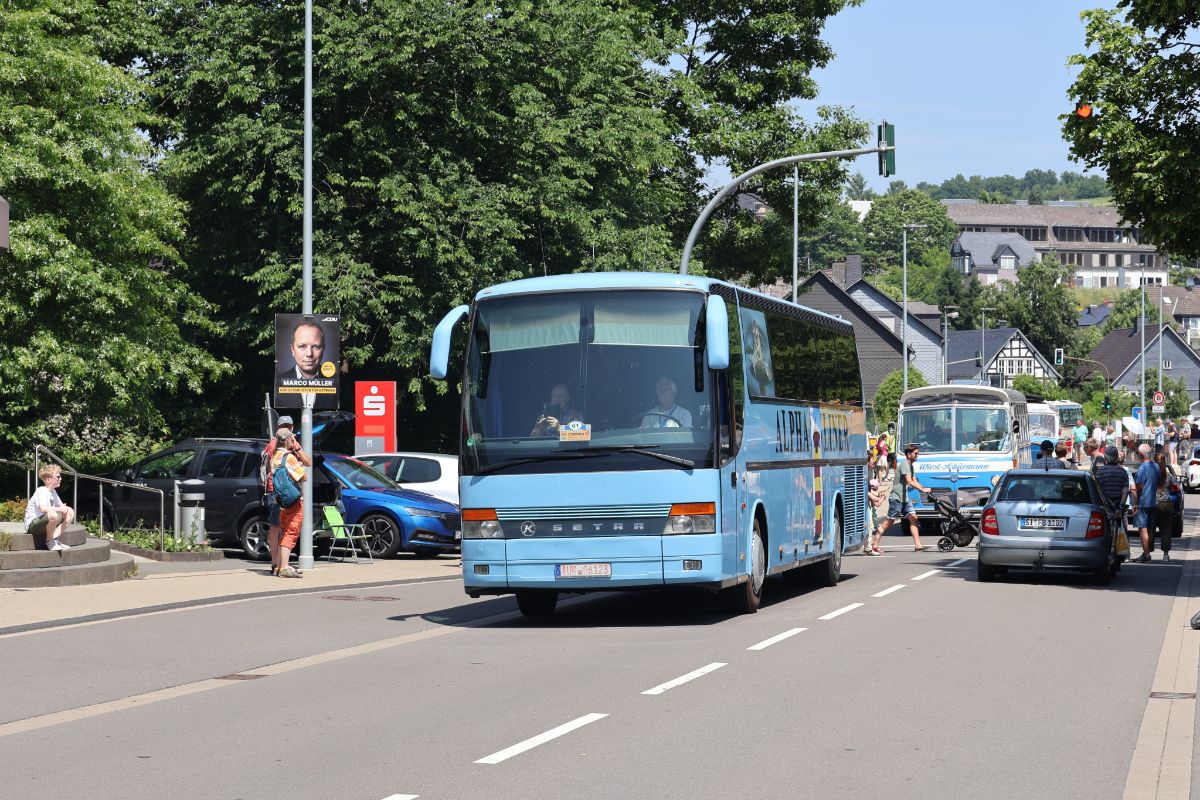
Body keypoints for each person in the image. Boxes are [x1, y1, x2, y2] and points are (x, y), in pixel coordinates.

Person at [260, 415, 310, 573]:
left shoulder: (290, 445)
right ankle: (277, 565)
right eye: (285, 426)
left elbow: (308, 462)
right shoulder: (277, 445)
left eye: (290, 426)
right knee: (280, 528)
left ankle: (279, 565)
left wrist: (297, 448)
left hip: (279, 493)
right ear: (278, 428)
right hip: (278, 493)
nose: (288, 428)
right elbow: (303, 472)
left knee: (281, 528)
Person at [871, 444, 931, 552]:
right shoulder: (904, 465)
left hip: (905, 498)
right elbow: (909, 481)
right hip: (896, 498)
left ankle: (918, 545)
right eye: (915, 453)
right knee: (889, 522)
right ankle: (875, 544)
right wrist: (922, 490)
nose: (917, 455)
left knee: (914, 518)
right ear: (908, 454)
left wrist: (924, 488)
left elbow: (914, 480)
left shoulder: (911, 466)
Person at [271, 427, 309, 578]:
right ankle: (285, 568)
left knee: (284, 531)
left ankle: (280, 566)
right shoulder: (289, 457)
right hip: (294, 500)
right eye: (291, 439)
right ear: (287, 440)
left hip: (281, 501)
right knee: (291, 532)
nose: (293, 441)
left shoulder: (274, 457)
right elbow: (303, 477)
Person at [24, 465, 74, 551]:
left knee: (70, 511)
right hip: (33, 525)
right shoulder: (42, 491)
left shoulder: (53, 492)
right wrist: (60, 509)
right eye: (58, 477)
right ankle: (50, 541)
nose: (60, 479)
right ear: (48, 480)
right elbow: (43, 509)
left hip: (45, 522)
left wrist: (65, 509)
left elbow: (62, 506)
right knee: (53, 514)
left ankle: (54, 538)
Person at [1150, 451, 1181, 561]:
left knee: (1150, 529)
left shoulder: (1152, 474)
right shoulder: (1170, 476)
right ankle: (1166, 555)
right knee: (1166, 530)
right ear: (1164, 461)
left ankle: (1148, 552)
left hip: (1152, 504)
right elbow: (1176, 491)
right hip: (1166, 505)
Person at [1132, 444, 1159, 563]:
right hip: (1153, 501)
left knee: (1142, 529)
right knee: (1149, 529)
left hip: (1143, 502)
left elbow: (1139, 486)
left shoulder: (1142, 468)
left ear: (1141, 455)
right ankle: (1147, 552)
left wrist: (1135, 503)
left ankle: (1146, 554)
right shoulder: (1156, 466)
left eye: (1138, 454)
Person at [1095, 445, 1131, 525]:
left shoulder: (1101, 472)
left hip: (1105, 508)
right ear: (1116, 457)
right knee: (1120, 533)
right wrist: (1120, 508)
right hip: (1118, 507)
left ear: (1105, 457)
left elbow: (1098, 491)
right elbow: (1125, 491)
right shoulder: (1123, 472)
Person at [864, 479, 887, 555]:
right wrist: (882, 497)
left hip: (875, 516)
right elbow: (877, 503)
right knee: (871, 530)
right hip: (872, 516)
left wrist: (880, 495)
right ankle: (870, 548)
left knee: (880, 530)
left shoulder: (873, 493)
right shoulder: (871, 494)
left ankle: (875, 546)